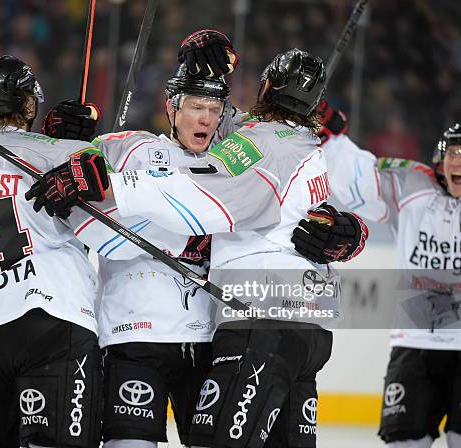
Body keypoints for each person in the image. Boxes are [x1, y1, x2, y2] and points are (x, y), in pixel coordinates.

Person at [27, 48, 368, 448]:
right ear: (171, 106)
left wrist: (112, 184)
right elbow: (74, 167)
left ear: (263, 89)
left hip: (247, 322)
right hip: (151, 329)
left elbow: (202, 197)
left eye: (214, 107)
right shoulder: (293, 142)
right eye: (194, 106)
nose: (206, 118)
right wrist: (62, 143)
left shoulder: (255, 144)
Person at [0, 55, 104, 448]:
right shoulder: (52, 153)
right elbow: (108, 221)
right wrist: (81, 146)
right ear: (30, 104)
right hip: (52, 319)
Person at [318, 101, 461, 447]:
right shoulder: (414, 187)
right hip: (413, 346)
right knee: (404, 442)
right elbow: (362, 181)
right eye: (455, 153)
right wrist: (332, 138)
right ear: (440, 161)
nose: (459, 162)